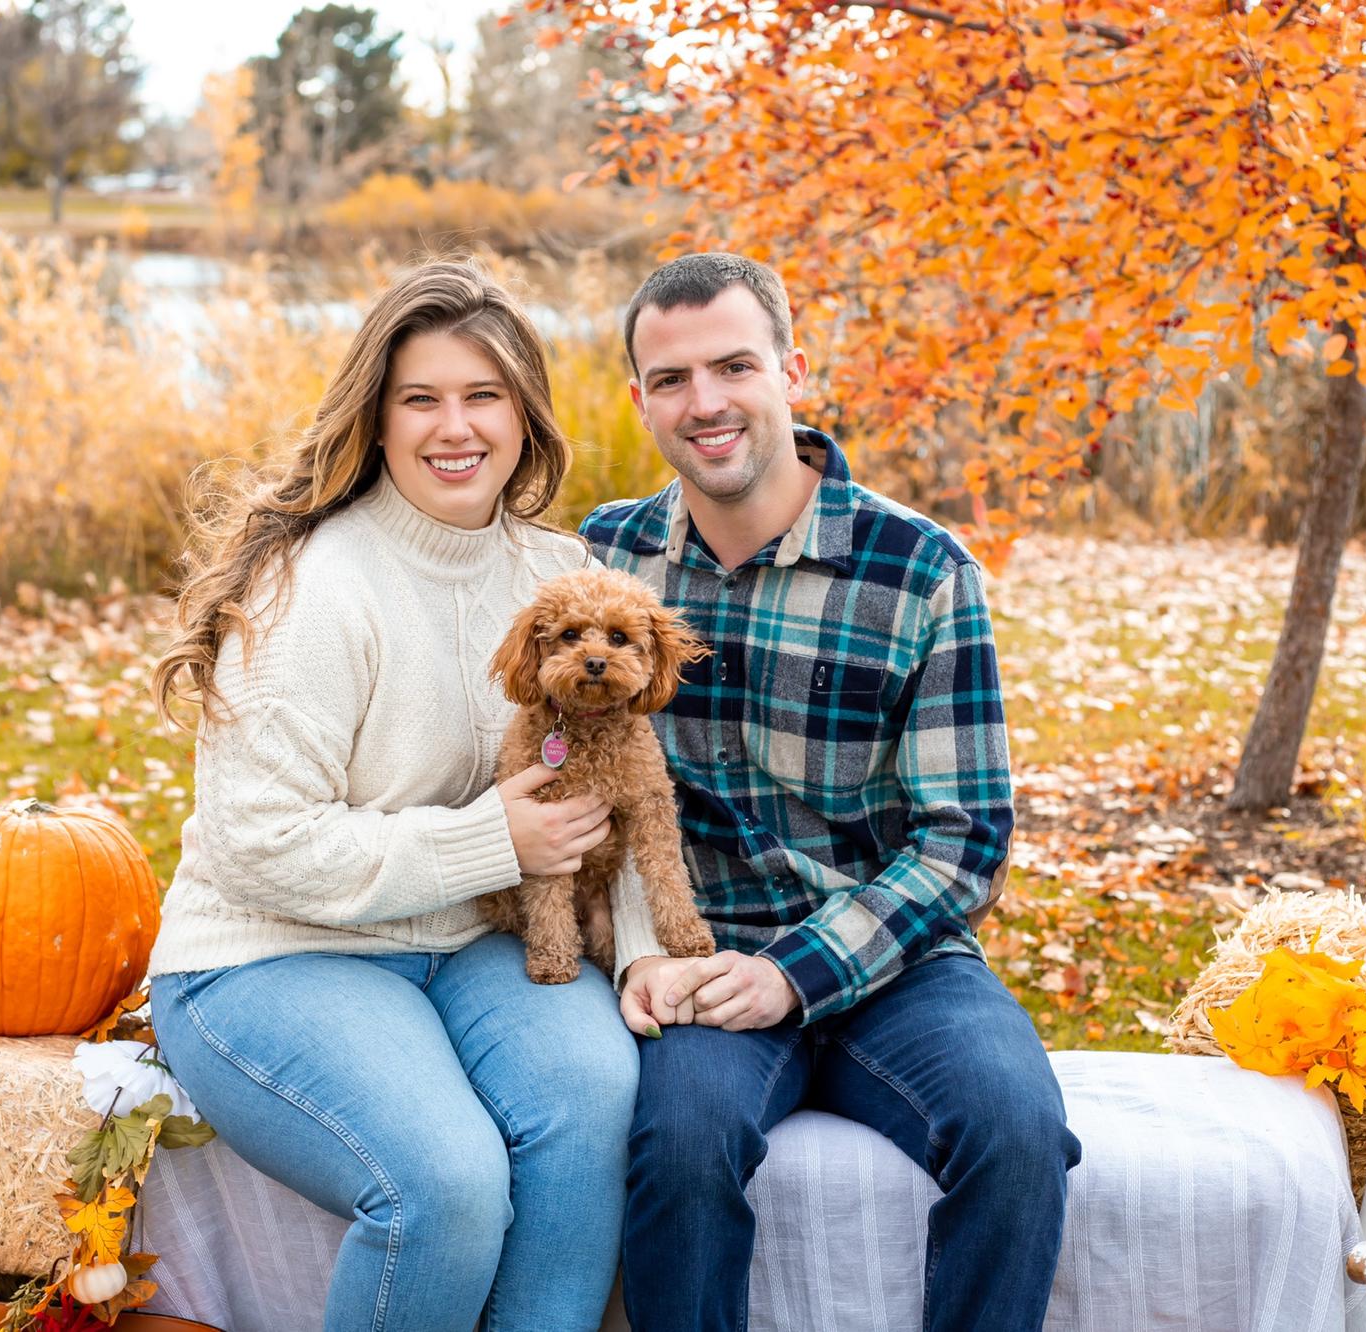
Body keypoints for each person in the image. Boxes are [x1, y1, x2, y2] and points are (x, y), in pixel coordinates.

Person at [146, 260, 652, 1332]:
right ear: (376, 421)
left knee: (588, 1095)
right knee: (446, 1184)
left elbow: (617, 787)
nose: (452, 427)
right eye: (419, 399)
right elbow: (257, 845)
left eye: (482, 395)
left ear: (524, 414)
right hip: (274, 952)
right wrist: (489, 841)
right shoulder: (314, 584)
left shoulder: (555, 570)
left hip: (470, 942)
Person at [582, 252, 1082, 1332]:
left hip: (894, 956)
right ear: (638, 399)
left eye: (733, 366)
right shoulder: (602, 561)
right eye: (669, 379)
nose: (703, 403)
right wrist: (640, 953)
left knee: (1017, 1134)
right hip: (700, 956)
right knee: (674, 1153)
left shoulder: (916, 569)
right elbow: (561, 778)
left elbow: (963, 840)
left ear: (791, 371)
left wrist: (792, 975)